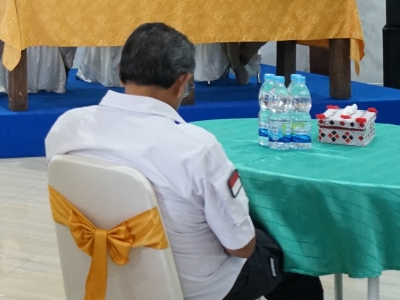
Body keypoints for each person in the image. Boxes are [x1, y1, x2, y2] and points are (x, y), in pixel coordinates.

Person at [45, 22, 323, 300]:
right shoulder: (195, 148)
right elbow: (242, 247)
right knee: (290, 253)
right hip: (195, 288)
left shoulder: (68, 127)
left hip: (106, 270)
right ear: (182, 82)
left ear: (120, 74)